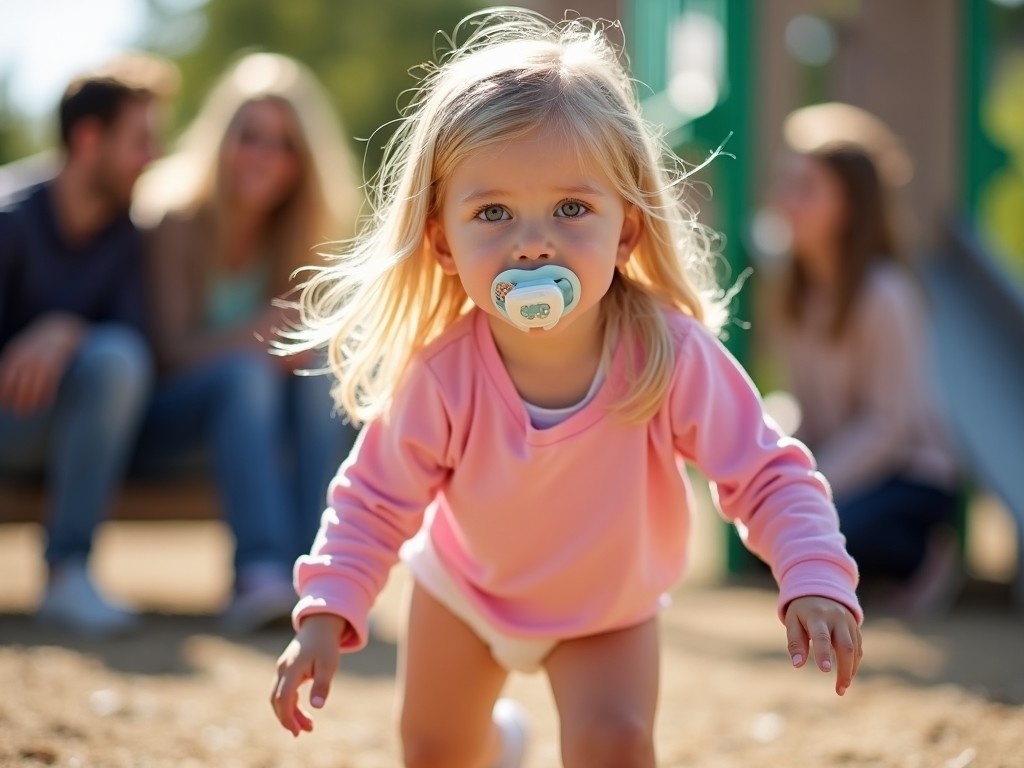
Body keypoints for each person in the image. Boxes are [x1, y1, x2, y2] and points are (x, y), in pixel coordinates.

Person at [270, 10, 863, 767]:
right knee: (435, 752)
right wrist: (326, 611)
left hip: (605, 610)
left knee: (616, 745)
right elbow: (374, 500)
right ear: (443, 240)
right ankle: (502, 745)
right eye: (493, 212)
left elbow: (764, 471)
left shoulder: (668, 355)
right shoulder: (443, 372)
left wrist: (811, 573)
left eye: (572, 208)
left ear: (626, 229)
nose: (533, 242)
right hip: (465, 593)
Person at [131, 52, 362, 632]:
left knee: (321, 371)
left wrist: (291, 345)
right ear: (222, 139)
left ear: (302, 161)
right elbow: (168, 351)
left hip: (259, 420)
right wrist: (256, 335)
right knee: (245, 372)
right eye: (250, 137)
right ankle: (259, 570)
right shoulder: (173, 219)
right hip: (166, 420)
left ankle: (320, 572)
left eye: (284, 145)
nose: (264, 157)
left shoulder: (299, 232)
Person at [0, 54, 177, 635]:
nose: (153, 157)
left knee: (116, 358)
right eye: (140, 140)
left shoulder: (127, 234)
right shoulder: (11, 221)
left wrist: (65, 328)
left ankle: (67, 574)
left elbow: (140, 349)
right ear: (88, 138)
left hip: (71, 428)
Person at [770, 104, 962, 612]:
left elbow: (889, 427)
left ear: (849, 206)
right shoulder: (797, 293)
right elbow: (807, 410)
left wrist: (818, 486)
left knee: (832, 528)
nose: (786, 202)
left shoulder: (887, 295)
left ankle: (924, 555)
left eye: (806, 188)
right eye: (788, 184)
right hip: (849, 467)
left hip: (910, 475)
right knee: (781, 530)